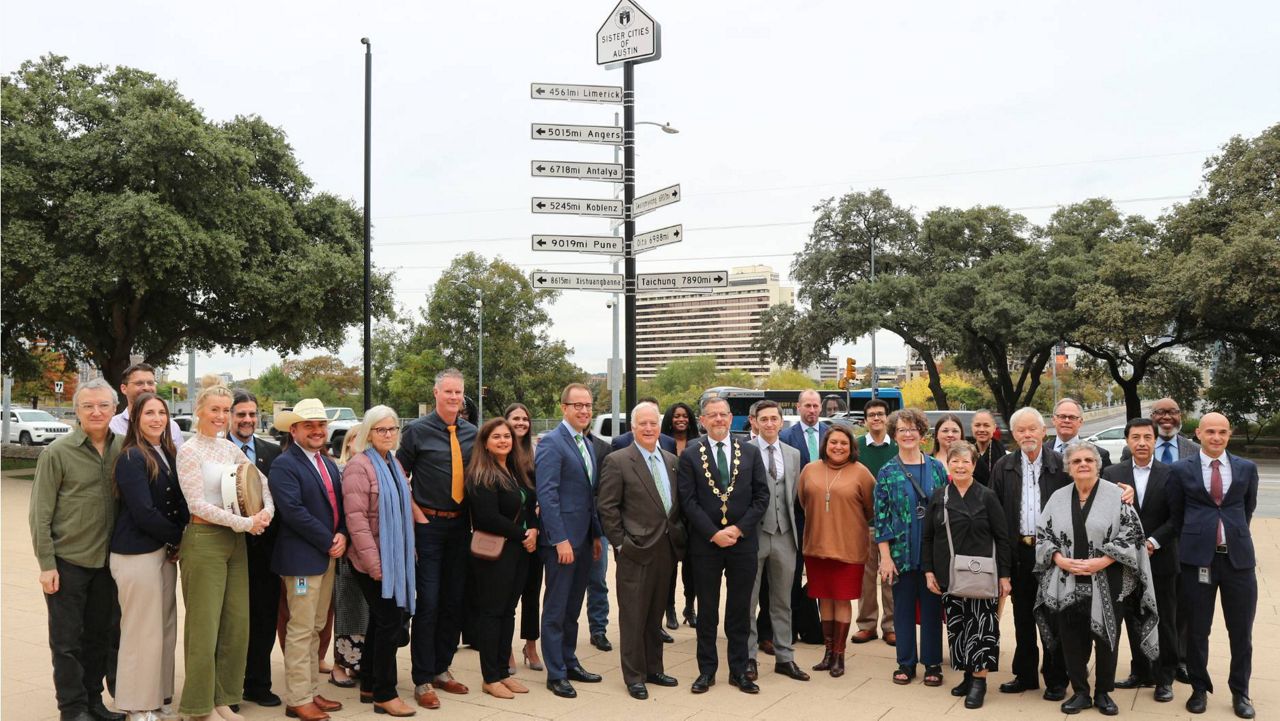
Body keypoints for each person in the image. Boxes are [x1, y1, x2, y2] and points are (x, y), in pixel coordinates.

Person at [1035, 442, 1158, 716]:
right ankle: (1080, 692)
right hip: (1067, 578)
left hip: (1108, 578)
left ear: (1097, 464)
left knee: (1107, 638)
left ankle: (1103, 693)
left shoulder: (1117, 496)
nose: (1083, 464)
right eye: (1076, 460)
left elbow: (1133, 535)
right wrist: (1058, 559)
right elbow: (1043, 535)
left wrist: (1103, 560)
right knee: (1071, 638)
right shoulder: (1057, 498)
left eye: (1088, 459)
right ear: (1068, 467)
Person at [175, 378, 273, 721]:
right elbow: (197, 504)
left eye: (224, 410)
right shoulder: (189, 450)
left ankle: (223, 699)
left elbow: (259, 481)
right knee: (204, 627)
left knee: (236, 624)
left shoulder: (228, 447)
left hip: (235, 543)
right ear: (199, 411)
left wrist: (266, 511)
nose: (220, 416)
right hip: (204, 542)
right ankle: (198, 707)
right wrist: (246, 524)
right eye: (214, 410)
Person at [29, 378, 126, 721]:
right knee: (67, 643)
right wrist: (46, 564)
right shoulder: (57, 452)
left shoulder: (124, 450)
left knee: (99, 638)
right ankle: (72, 710)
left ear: (115, 409)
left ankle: (93, 703)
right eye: (88, 406)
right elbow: (39, 513)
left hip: (107, 565)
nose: (96, 411)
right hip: (67, 562)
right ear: (77, 411)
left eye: (103, 405)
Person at [1168, 412, 1260, 719]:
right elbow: (1177, 514)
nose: (1216, 437)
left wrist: (1230, 535)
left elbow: (1247, 509)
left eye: (1222, 432)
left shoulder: (1246, 468)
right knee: (1196, 629)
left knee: (1241, 631)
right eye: (1210, 432)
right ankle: (1198, 687)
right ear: (1198, 434)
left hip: (1238, 561)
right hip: (1197, 561)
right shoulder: (1181, 469)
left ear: (1229, 434)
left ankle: (1240, 692)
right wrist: (1199, 538)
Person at [676, 396, 770, 695]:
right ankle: (707, 671)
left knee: (740, 610)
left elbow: (761, 497)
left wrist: (739, 529)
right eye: (712, 415)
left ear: (732, 419)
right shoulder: (691, 454)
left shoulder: (751, 452)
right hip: (706, 545)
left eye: (723, 415)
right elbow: (688, 502)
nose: (718, 419)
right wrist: (713, 533)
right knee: (707, 610)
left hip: (743, 544)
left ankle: (740, 671)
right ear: (702, 421)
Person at [396, 369, 476, 709]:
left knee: (453, 600)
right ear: (436, 393)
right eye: (449, 392)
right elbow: (399, 474)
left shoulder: (473, 433)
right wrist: (414, 510)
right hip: (428, 526)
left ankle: (443, 668)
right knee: (428, 601)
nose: (454, 398)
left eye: (459, 393)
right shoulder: (416, 431)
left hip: (461, 527)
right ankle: (422, 678)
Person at [597, 402, 687, 700]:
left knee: (655, 614)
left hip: (665, 550)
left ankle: (653, 667)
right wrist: (621, 543)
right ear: (632, 428)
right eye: (642, 424)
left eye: (653, 423)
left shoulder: (672, 460)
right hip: (635, 551)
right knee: (633, 616)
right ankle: (634, 675)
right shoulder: (619, 460)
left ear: (660, 427)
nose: (648, 429)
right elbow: (607, 507)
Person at [267, 398, 349, 721]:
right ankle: (298, 698)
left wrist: (342, 533)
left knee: (315, 627)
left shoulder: (327, 464)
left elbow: (338, 506)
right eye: (309, 426)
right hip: (301, 561)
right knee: (300, 630)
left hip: (326, 557)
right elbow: (293, 512)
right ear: (295, 430)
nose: (317, 431)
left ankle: (312, 691)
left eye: (321, 425)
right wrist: (329, 539)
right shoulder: (285, 464)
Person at [109, 392, 188, 721]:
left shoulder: (167, 451)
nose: (157, 419)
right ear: (135, 419)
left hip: (162, 551)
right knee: (141, 631)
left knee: (165, 627)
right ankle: (135, 704)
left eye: (162, 413)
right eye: (149, 413)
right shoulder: (131, 457)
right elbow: (143, 512)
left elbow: (178, 502)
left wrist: (177, 539)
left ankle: (160, 695)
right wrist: (180, 537)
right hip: (135, 554)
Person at [921, 441, 1011, 710]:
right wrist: (928, 572)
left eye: (966, 462)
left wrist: (1004, 576)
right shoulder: (939, 496)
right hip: (949, 574)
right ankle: (967, 674)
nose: (960, 466)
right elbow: (927, 537)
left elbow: (1002, 537)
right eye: (955, 461)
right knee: (958, 627)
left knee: (981, 628)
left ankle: (980, 682)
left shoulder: (987, 496)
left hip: (981, 574)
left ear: (974, 465)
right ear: (948, 464)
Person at [341, 406, 418, 716]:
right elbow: (356, 521)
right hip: (372, 561)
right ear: (367, 433)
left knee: (380, 620)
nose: (388, 435)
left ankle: (371, 683)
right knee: (389, 622)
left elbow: (404, 508)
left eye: (392, 429)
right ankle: (385, 694)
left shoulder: (393, 463)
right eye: (381, 430)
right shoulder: (359, 467)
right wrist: (376, 566)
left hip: (395, 557)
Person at [991, 406, 1072, 700]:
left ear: (1043, 431)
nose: (1027, 435)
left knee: (1052, 616)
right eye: (1021, 430)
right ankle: (1025, 675)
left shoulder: (1060, 464)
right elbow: (996, 514)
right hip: (1018, 552)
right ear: (1014, 435)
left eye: (1032, 429)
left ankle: (1055, 678)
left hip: (1051, 554)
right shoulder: (1004, 465)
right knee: (1022, 617)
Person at [535, 383, 605, 699]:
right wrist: (560, 538)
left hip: (583, 540)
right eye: (577, 405)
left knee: (573, 607)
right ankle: (556, 673)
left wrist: (594, 536)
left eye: (588, 405)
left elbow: (588, 497)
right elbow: (547, 495)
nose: (584, 410)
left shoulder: (586, 444)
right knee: (556, 608)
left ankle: (569, 660)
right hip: (562, 543)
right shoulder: (552, 443)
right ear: (563, 408)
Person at [1102, 418, 1178, 702]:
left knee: (1163, 619)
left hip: (1161, 559)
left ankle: (1163, 678)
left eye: (1148, 437)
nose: (1142, 443)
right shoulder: (1112, 473)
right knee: (1133, 618)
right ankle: (1141, 671)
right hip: (1125, 562)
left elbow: (1177, 517)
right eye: (1136, 437)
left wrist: (1152, 542)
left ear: (1155, 440)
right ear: (1128, 441)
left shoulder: (1171, 474)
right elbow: (1105, 515)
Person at [465, 418, 539, 700]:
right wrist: (523, 535)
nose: (503, 441)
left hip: (519, 551)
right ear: (485, 442)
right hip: (495, 553)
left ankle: (503, 673)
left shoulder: (515, 469)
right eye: (496, 437)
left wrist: (532, 530)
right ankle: (490, 677)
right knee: (492, 613)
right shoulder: (481, 474)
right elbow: (487, 518)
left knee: (508, 611)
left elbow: (528, 504)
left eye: (506, 436)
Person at [875, 408, 948, 687]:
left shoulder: (937, 468)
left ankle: (932, 663)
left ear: (921, 433)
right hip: (900, 555)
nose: (907, 434)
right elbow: (880, 517)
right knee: (902, 610)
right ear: (894, 435)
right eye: (902, 430)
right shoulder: (887, 471)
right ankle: (905, 663)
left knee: (931, 609)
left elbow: (945, 510)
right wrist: (885, 558)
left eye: (912, 429)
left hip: (931, 554)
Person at [798, 423, 876, 678]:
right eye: (833, 442)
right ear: (825, 445)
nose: (838, 447)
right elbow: (802, 501)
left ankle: (840, 656)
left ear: (851, 447)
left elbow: (871, 508)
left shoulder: (861, 473)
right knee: (825, 599)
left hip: (848, 547)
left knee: (842, 599)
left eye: (843, 443)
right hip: (816, 546)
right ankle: (828, 653)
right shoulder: (810, 470)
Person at [745, 401, 810, 682]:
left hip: (785, 535)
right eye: (764, 419)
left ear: (781, 422)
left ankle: (785, 657)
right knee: (748, 602)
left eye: (774, 419)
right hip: (754, 536)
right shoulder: (744, 452)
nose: (770, 424)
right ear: (755, 423)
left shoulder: (793, 454)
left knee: (783, 601)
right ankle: (748, 658)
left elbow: (796, 496)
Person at [228, 389, 284, 709]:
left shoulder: (272, 452)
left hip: (266, 553)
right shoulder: (219, 451)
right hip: (230, 549)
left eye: (252, 414)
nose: (247, 420)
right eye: (241, 415)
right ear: (231, 418)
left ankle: (258, 684)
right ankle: (230, 689)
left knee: (264, 620)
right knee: (233, 622)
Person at [326, 430, 369, 689]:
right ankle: (340, 664)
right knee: (348, 608)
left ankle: (361, 663)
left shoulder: (377, 467)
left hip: (372, 551)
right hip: (347, 549)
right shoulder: (340, 470)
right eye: (357, 438)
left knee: (368, 611)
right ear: (349, 443)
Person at [853, 398, 896, 646]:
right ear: (866, 419)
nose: (876, 418)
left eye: (880, 414)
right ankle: (866, 625)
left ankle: (891, 626)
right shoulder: (857, 447)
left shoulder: (897, 446)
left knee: (891, 578)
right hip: (864, 523)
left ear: (887, 418)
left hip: (893, 526)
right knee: (866, 578)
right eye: (872, 415)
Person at [505, 403, 544, 672]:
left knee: (532, 593)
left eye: (525, 419)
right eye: (515, 418)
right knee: (508, 596)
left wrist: (536, 528)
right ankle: (505, 650)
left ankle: (531, 646)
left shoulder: (536, 451)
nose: (521, 423)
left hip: (535, 531)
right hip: (508, 534)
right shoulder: (500, 451)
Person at [660, 401, 700, 629]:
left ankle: (690, 606)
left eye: (685, 415)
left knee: (692, 567)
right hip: (670, 511)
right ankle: (669, 610)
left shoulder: (698, 442)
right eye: (676, 416)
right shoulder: (662, 442)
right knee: (670, 566)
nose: (681, 419)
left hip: (693, 512)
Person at [585, 427, 615, 652]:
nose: (583, 412)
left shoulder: (603, 448)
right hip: (570, 527)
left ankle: (598, 629)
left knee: (598, 580)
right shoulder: (557, 444)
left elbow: (605, 491)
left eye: (587, 407)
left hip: (598, 526)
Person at [109, 362, 185, 450]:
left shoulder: (171, 427)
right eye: (139, 383)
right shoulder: (112, 427)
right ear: (124, 389)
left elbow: (180, 460)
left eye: (150, 383)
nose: (146, 388)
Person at [1122, 398, 1200, 464]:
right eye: (1160, 412)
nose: (1167, 417)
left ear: (1180, 417)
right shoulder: (1130, 451)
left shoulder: (1196, 450)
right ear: (1152, 417)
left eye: (1173, 412)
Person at [1045, 398, 1112, 469]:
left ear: (1080, 422)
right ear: (1053, 420)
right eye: (1062, 416)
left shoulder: (1099, 454)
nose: (1067, 421)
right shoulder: (1040, 452)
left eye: (1072, 417)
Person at [780, 389, 826, 466]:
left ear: (820, 407)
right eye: (808, 406)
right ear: (798, 407)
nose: (812, 410)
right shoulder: (785, 437)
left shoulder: (830, 433)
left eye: (815, 406)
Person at [970, 409, 1007, 489]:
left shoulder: (1002, 453)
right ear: (972, 427)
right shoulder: (968, 452)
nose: (982, 429)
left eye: (986, 425)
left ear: (994, 428)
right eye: (977, 425)